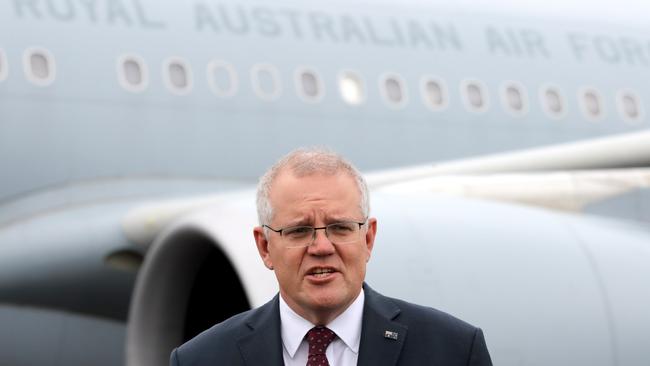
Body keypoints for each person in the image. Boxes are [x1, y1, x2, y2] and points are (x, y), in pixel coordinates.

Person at [170, 148, 492, 366]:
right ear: (265, 247)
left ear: (368, 238)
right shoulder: (202, 359)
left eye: (340, 228)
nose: (322, 246)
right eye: (298, 231)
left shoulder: (454, 351)